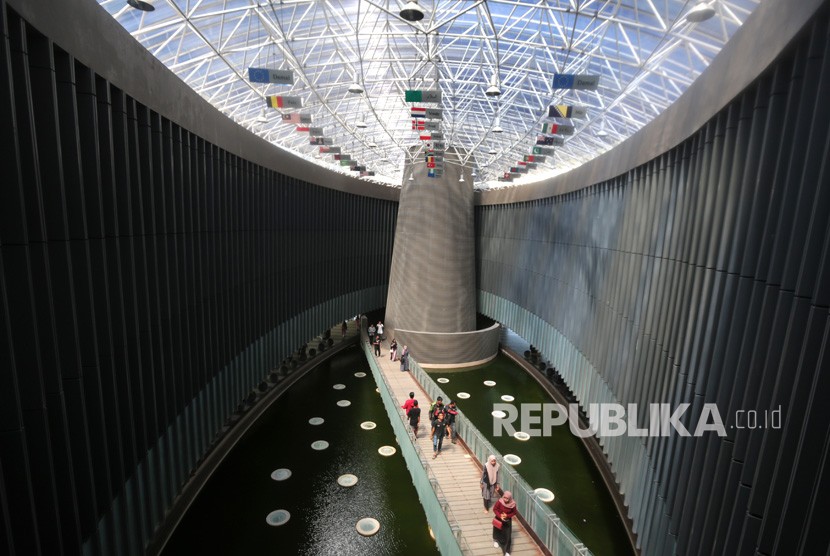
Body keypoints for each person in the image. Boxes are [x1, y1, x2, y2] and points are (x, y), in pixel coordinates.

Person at [492, 490, 518, 556]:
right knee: (497, 531)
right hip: (498, 519)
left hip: (507, 521)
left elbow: (514, 512)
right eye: (504, 498)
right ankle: (496, 540)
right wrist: (500, 516)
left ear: (510, 498)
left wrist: (507, 516)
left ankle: (507, 551)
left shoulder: (513, 504)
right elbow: (495, 509)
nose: (505, 499)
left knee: (508, 535)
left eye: (507, 498)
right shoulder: (500, 502)